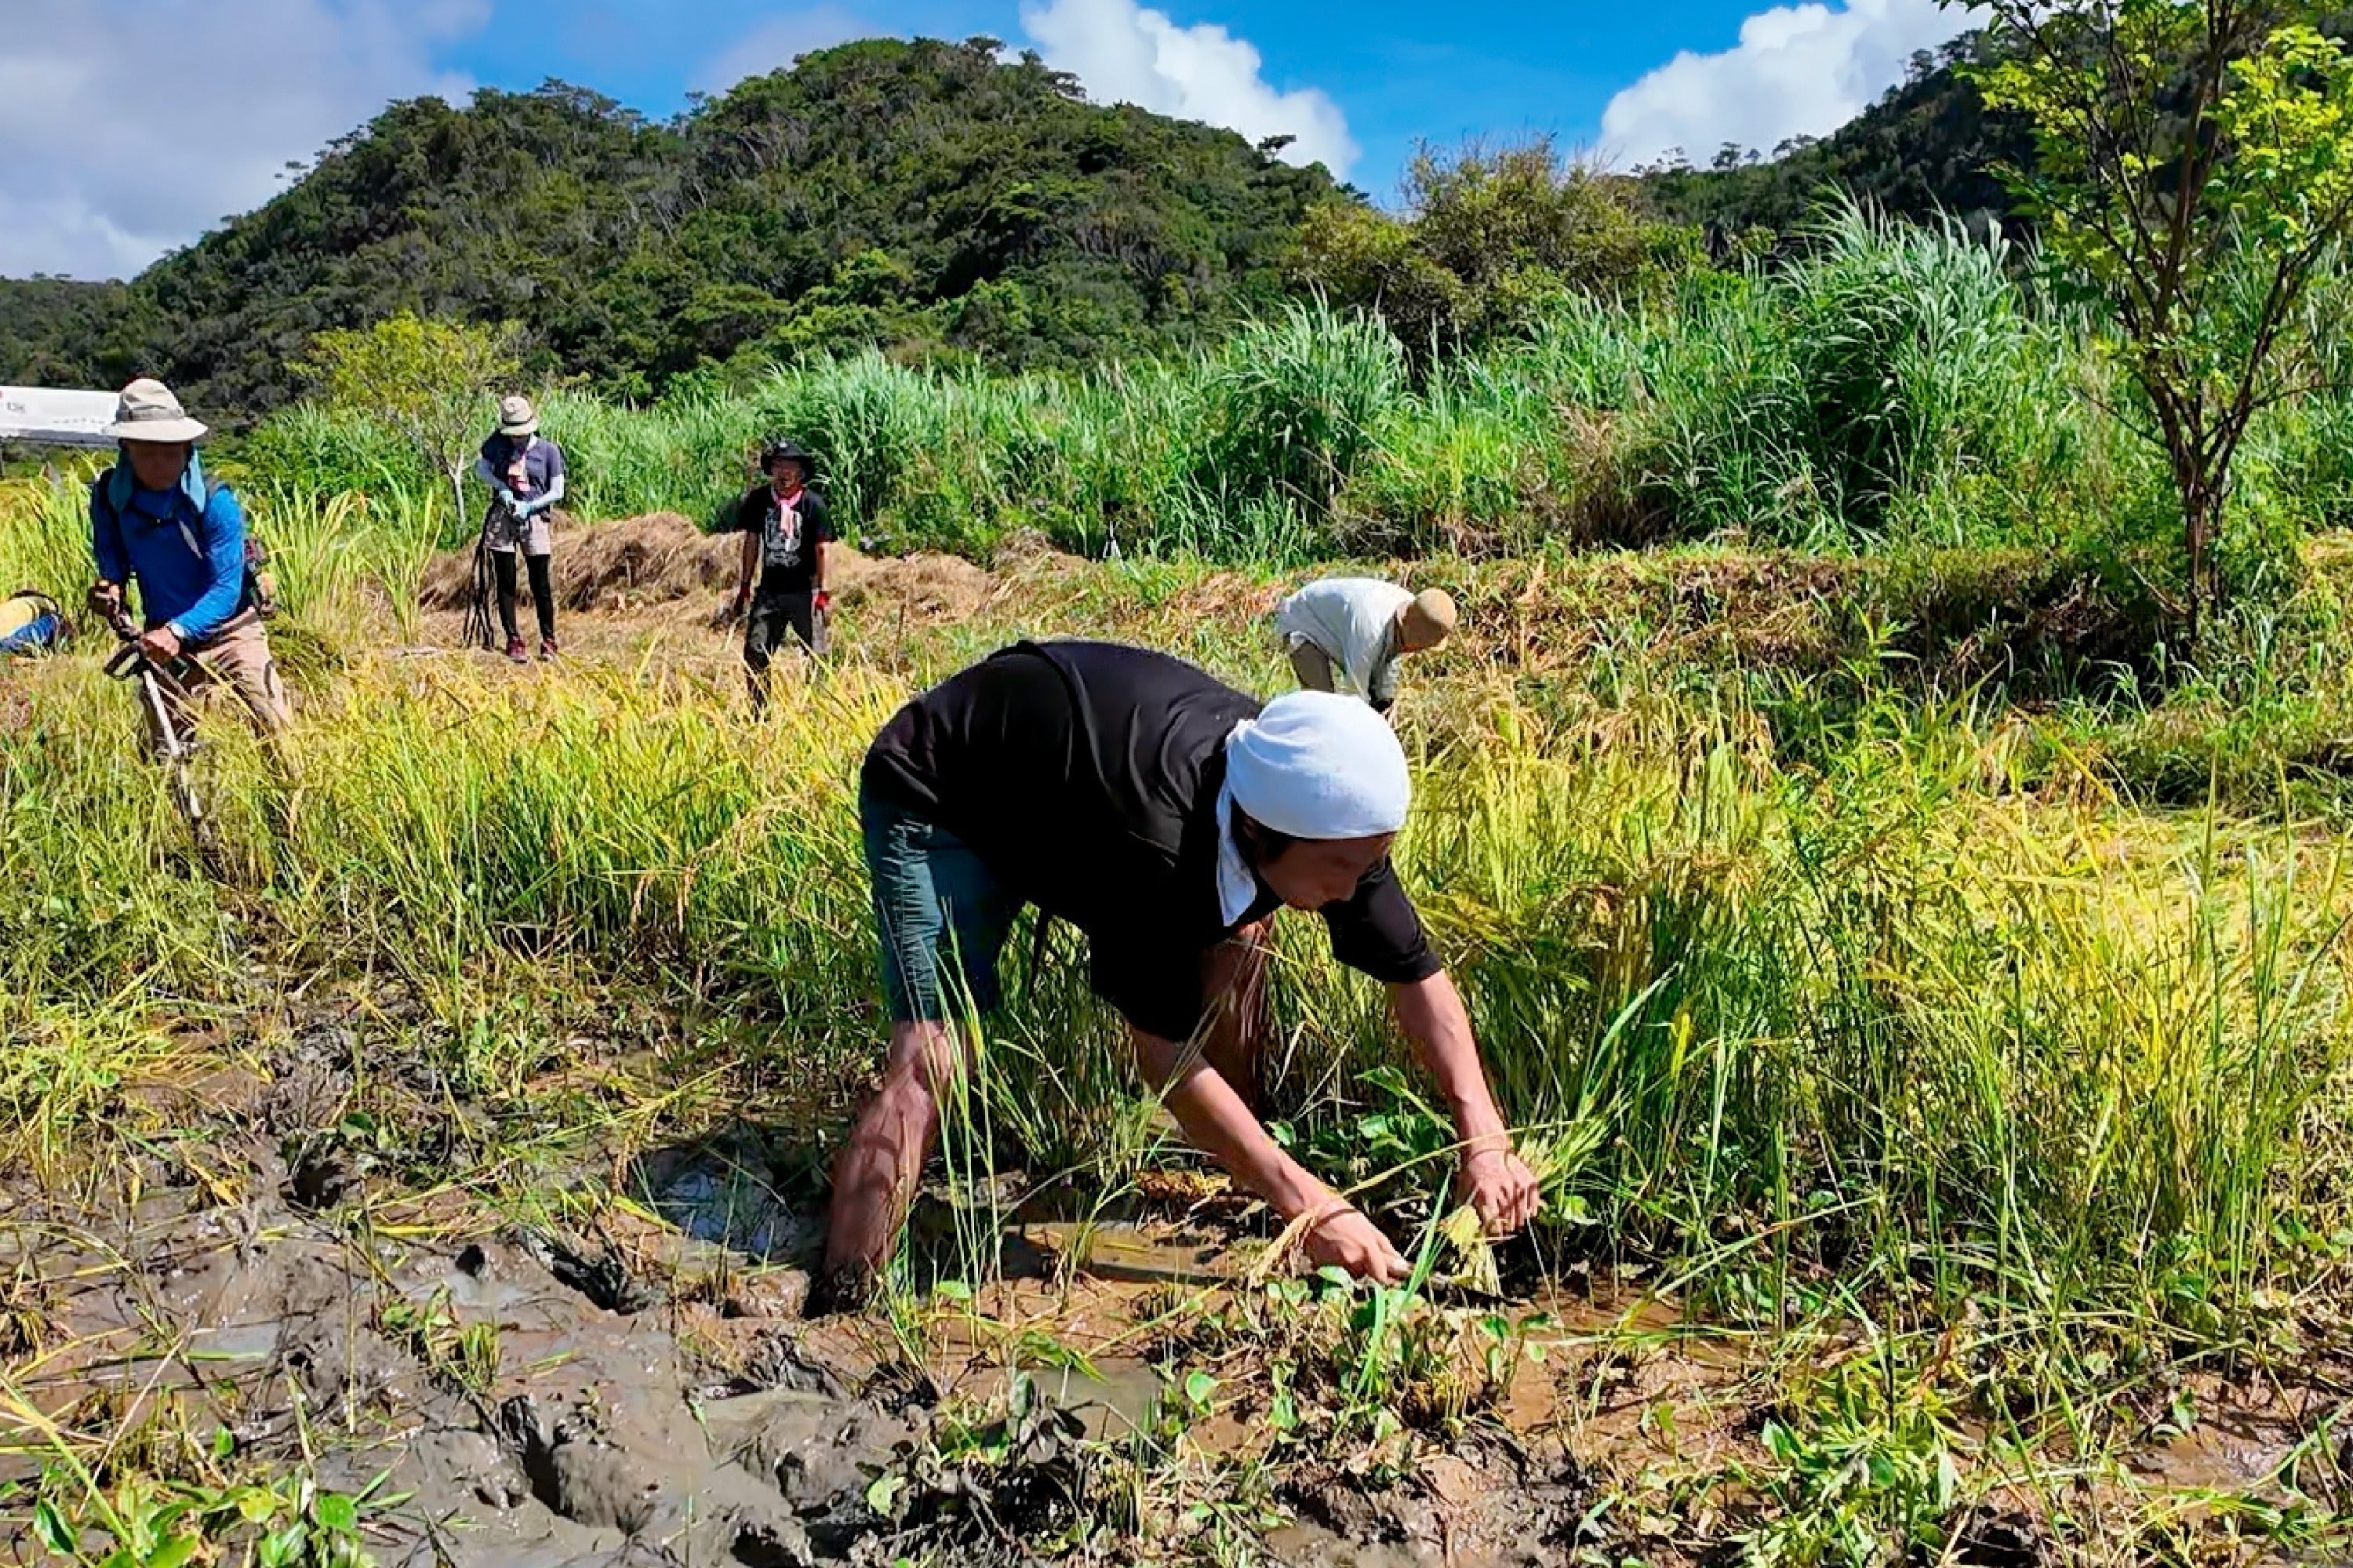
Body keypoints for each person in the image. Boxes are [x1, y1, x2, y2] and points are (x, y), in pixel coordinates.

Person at [816, 638, 1540, 1312]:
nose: (1356, 891)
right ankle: (843, 1293)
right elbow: (1163, 1056)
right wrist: (1315, 1205)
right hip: (944, 791)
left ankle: (1246, 1174)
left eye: (1368, 864)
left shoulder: (1323, 802)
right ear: (1262, 831)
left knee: (1243, 936)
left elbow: (1416, 975)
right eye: (1342, 870)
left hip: (1061, 778)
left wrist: (1482, 1133)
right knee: (936, 1051)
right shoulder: (1156, 849)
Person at [86, 378, 291, 742]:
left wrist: (178, 631)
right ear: (127, 449)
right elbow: (111, 554)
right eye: (148, 452)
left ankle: (291, 798)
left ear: (186, 449)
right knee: (167, 748)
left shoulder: (216, 503)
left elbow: (227, 589)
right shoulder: (109, 498)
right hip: (161, 635)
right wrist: (111, 587)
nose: (160, 464)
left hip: (231, 630)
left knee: (276, 728)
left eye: (170, 451)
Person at [726, 438, 833, 711]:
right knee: (755, 650)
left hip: (803, 589)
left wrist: (822, 591)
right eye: (779, 465)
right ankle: (760, 710)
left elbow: (822, 549)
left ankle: (818, 710)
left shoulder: (813, 505)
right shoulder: (760, 500)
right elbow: (751, 542)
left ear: (800, 472)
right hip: (770, 589)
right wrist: (745, 585)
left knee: (816, 652)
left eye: (790, 466)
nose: (784, 472)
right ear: (772, 470)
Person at [1275, 578, 1458, 717]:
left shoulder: (1417, 611)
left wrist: (1385, 703)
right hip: (1302, 622)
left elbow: (1389, 661)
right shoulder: (1370, 629)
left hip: (1340, 626)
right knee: (1324, 708)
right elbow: (1354, 696)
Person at [473, 395, 567, 662]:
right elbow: (481, 468)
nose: (517, 439)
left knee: (540, 582)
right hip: (504, 515)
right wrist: (502, 488)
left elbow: (557, 490)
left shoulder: (548, 451)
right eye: (513, 435)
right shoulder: (497, 445)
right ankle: (513, 638)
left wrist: (531, 506)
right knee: (505, 581)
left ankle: (548, 639)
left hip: (534, 516)